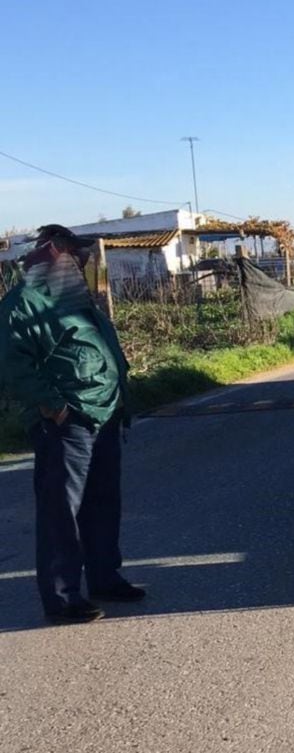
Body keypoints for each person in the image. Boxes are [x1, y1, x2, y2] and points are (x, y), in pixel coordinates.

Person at [0, 225, 143, 624]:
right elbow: (13, 364)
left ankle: (105, 578)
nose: (78, 262)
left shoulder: (74, 300)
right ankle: (62, 599)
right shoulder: (24, 303)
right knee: (61, 511)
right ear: (50, 254)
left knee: (103, 504)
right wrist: (53, 406)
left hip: (104, 415)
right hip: (67, 423)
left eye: (79, 256)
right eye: (70, 254)